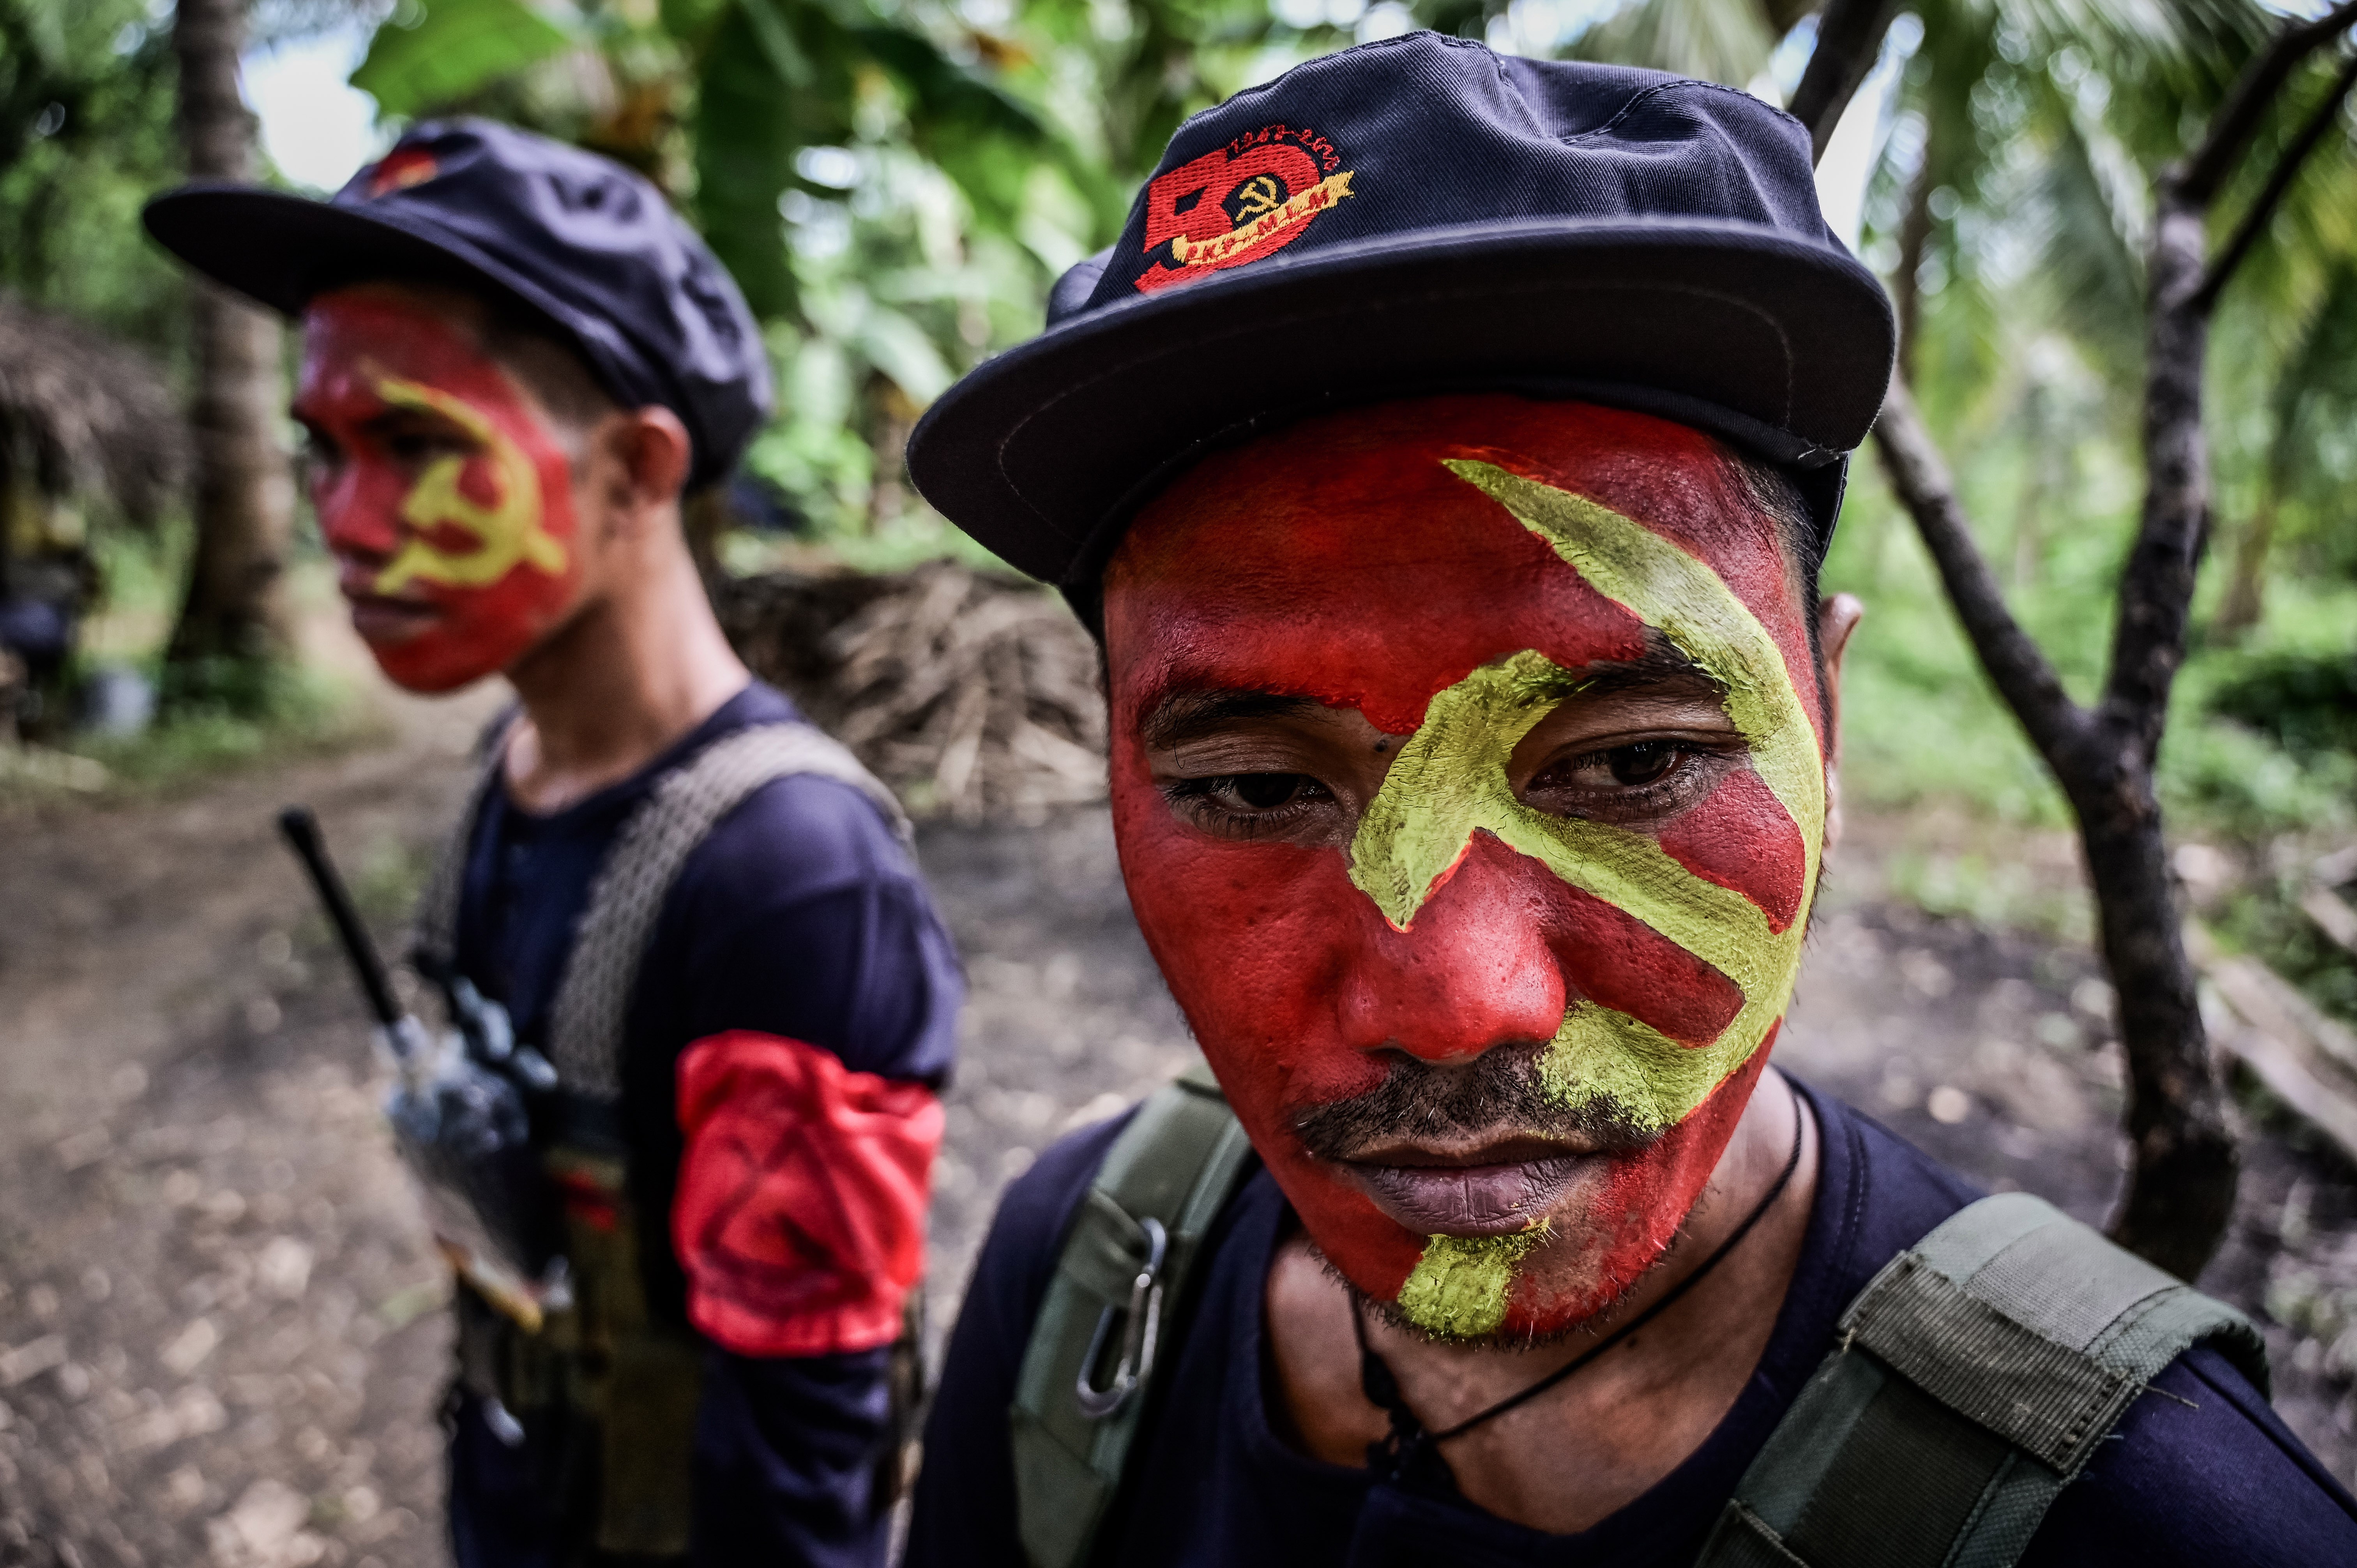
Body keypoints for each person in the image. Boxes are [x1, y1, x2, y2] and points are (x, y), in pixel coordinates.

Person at [896, 35, 2357, 1568]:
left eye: (1633, 763)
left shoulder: (2171, 1528)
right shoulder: (1084, 1276)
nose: (1456, 1001)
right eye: (1256, 783)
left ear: (1831, 728)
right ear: (1116, 770)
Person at [144, 121, 962, 1566]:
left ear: (638, 471)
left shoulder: (791, 877)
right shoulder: (509, 767)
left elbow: (807, 1442)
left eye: (411, 442)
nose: (342, 519)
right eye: (319, 450)